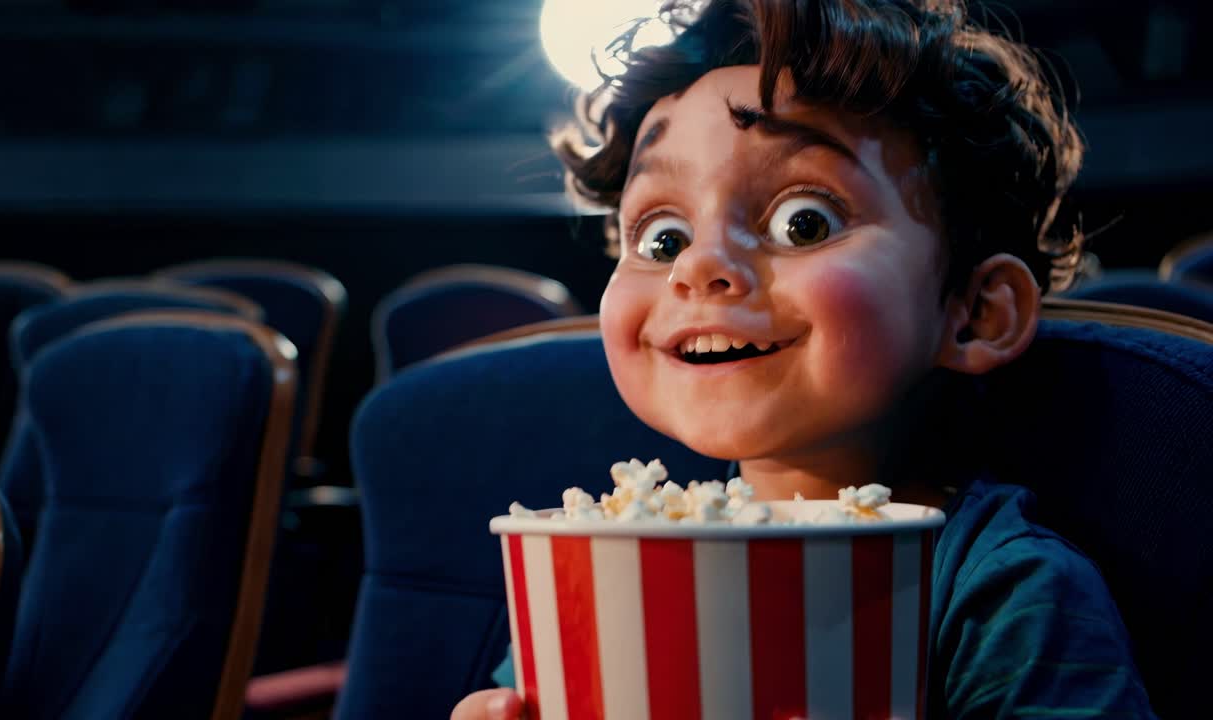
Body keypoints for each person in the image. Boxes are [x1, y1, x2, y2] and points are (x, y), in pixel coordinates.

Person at [455, 0, 1156, 717]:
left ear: (976, 313)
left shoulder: (1002, 592)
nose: (700, 267)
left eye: (804, 221)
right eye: (661, 237)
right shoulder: (596, 562)